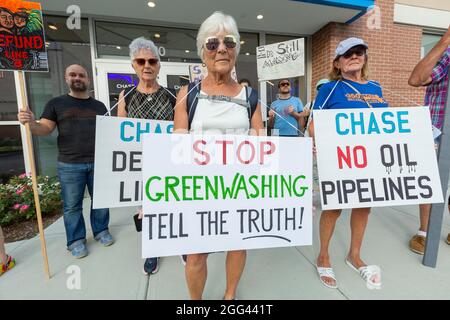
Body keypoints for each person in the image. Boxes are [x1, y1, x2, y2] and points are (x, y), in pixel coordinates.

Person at [174, 11, 264, 300]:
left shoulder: (250, 98)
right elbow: (176, 147)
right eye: (212, 43)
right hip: (198, 191)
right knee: (196, 254)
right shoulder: (186, 95)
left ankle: (229, 296)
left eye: (229, 42)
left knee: (237, 245)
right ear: (203, 52)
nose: (222, 48)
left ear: (237, 50)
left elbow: (261, 145)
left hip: (238, 189)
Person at [309, 37, 388, 289]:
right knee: (334, 208)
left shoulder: (376, 87)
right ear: (338, 63)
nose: (355, 56)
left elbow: (388, 123)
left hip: (371, 159)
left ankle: (354, 255)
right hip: (340, 159)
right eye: (348, 54)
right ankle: (323, 255)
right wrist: (317, 143)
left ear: (365, 58)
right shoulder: (330, 89)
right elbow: (314, 123)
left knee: (364, 207)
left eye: (359, 52)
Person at [17, 64, 114, 259]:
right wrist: (31, 123)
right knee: (72, 206)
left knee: (101, 201)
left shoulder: (99, 106)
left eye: (81, 75)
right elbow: (44, 129)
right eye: (73, 75)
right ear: (66, 78)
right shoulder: (56, 103)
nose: (77, 78)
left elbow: (109, 132)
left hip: (98, 162)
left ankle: (101, 230)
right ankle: (76, 240)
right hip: (70, 164)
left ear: (88, 80)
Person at [117, 37, 176, 275]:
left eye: (152, 60)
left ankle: (178, 242)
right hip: (140, 164)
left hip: (170, 161)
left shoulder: (173, 96)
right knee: (148, 208)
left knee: (173, 204)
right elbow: (121, 132)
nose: (147, 65)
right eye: (141, 61)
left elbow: (182, 128)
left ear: (159, 65)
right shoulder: (126, 95)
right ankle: (152, 249)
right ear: (134, 65)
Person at [408, 26, 450, 253]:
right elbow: (416, 79)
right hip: (436, 129)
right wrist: (445, 41)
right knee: (430, 183)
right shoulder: (447, 53)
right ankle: (424, 231)